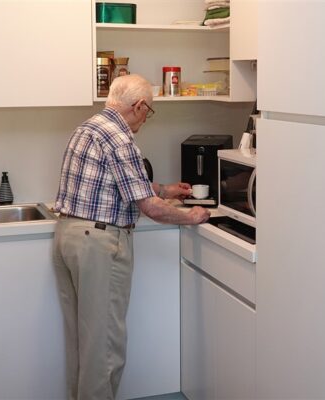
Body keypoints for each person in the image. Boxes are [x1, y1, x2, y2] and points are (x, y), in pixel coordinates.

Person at [52, 74, 210, 400]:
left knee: (82, 345)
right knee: (104, 348)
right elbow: (150, 209)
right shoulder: (120, 139)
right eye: (148, 111)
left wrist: (165, 189)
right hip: (99, 244)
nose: (146, 119)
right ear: (138, 106)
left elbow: (120, 181)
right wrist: (191, 216)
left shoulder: (89, 128)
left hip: (68, 237)